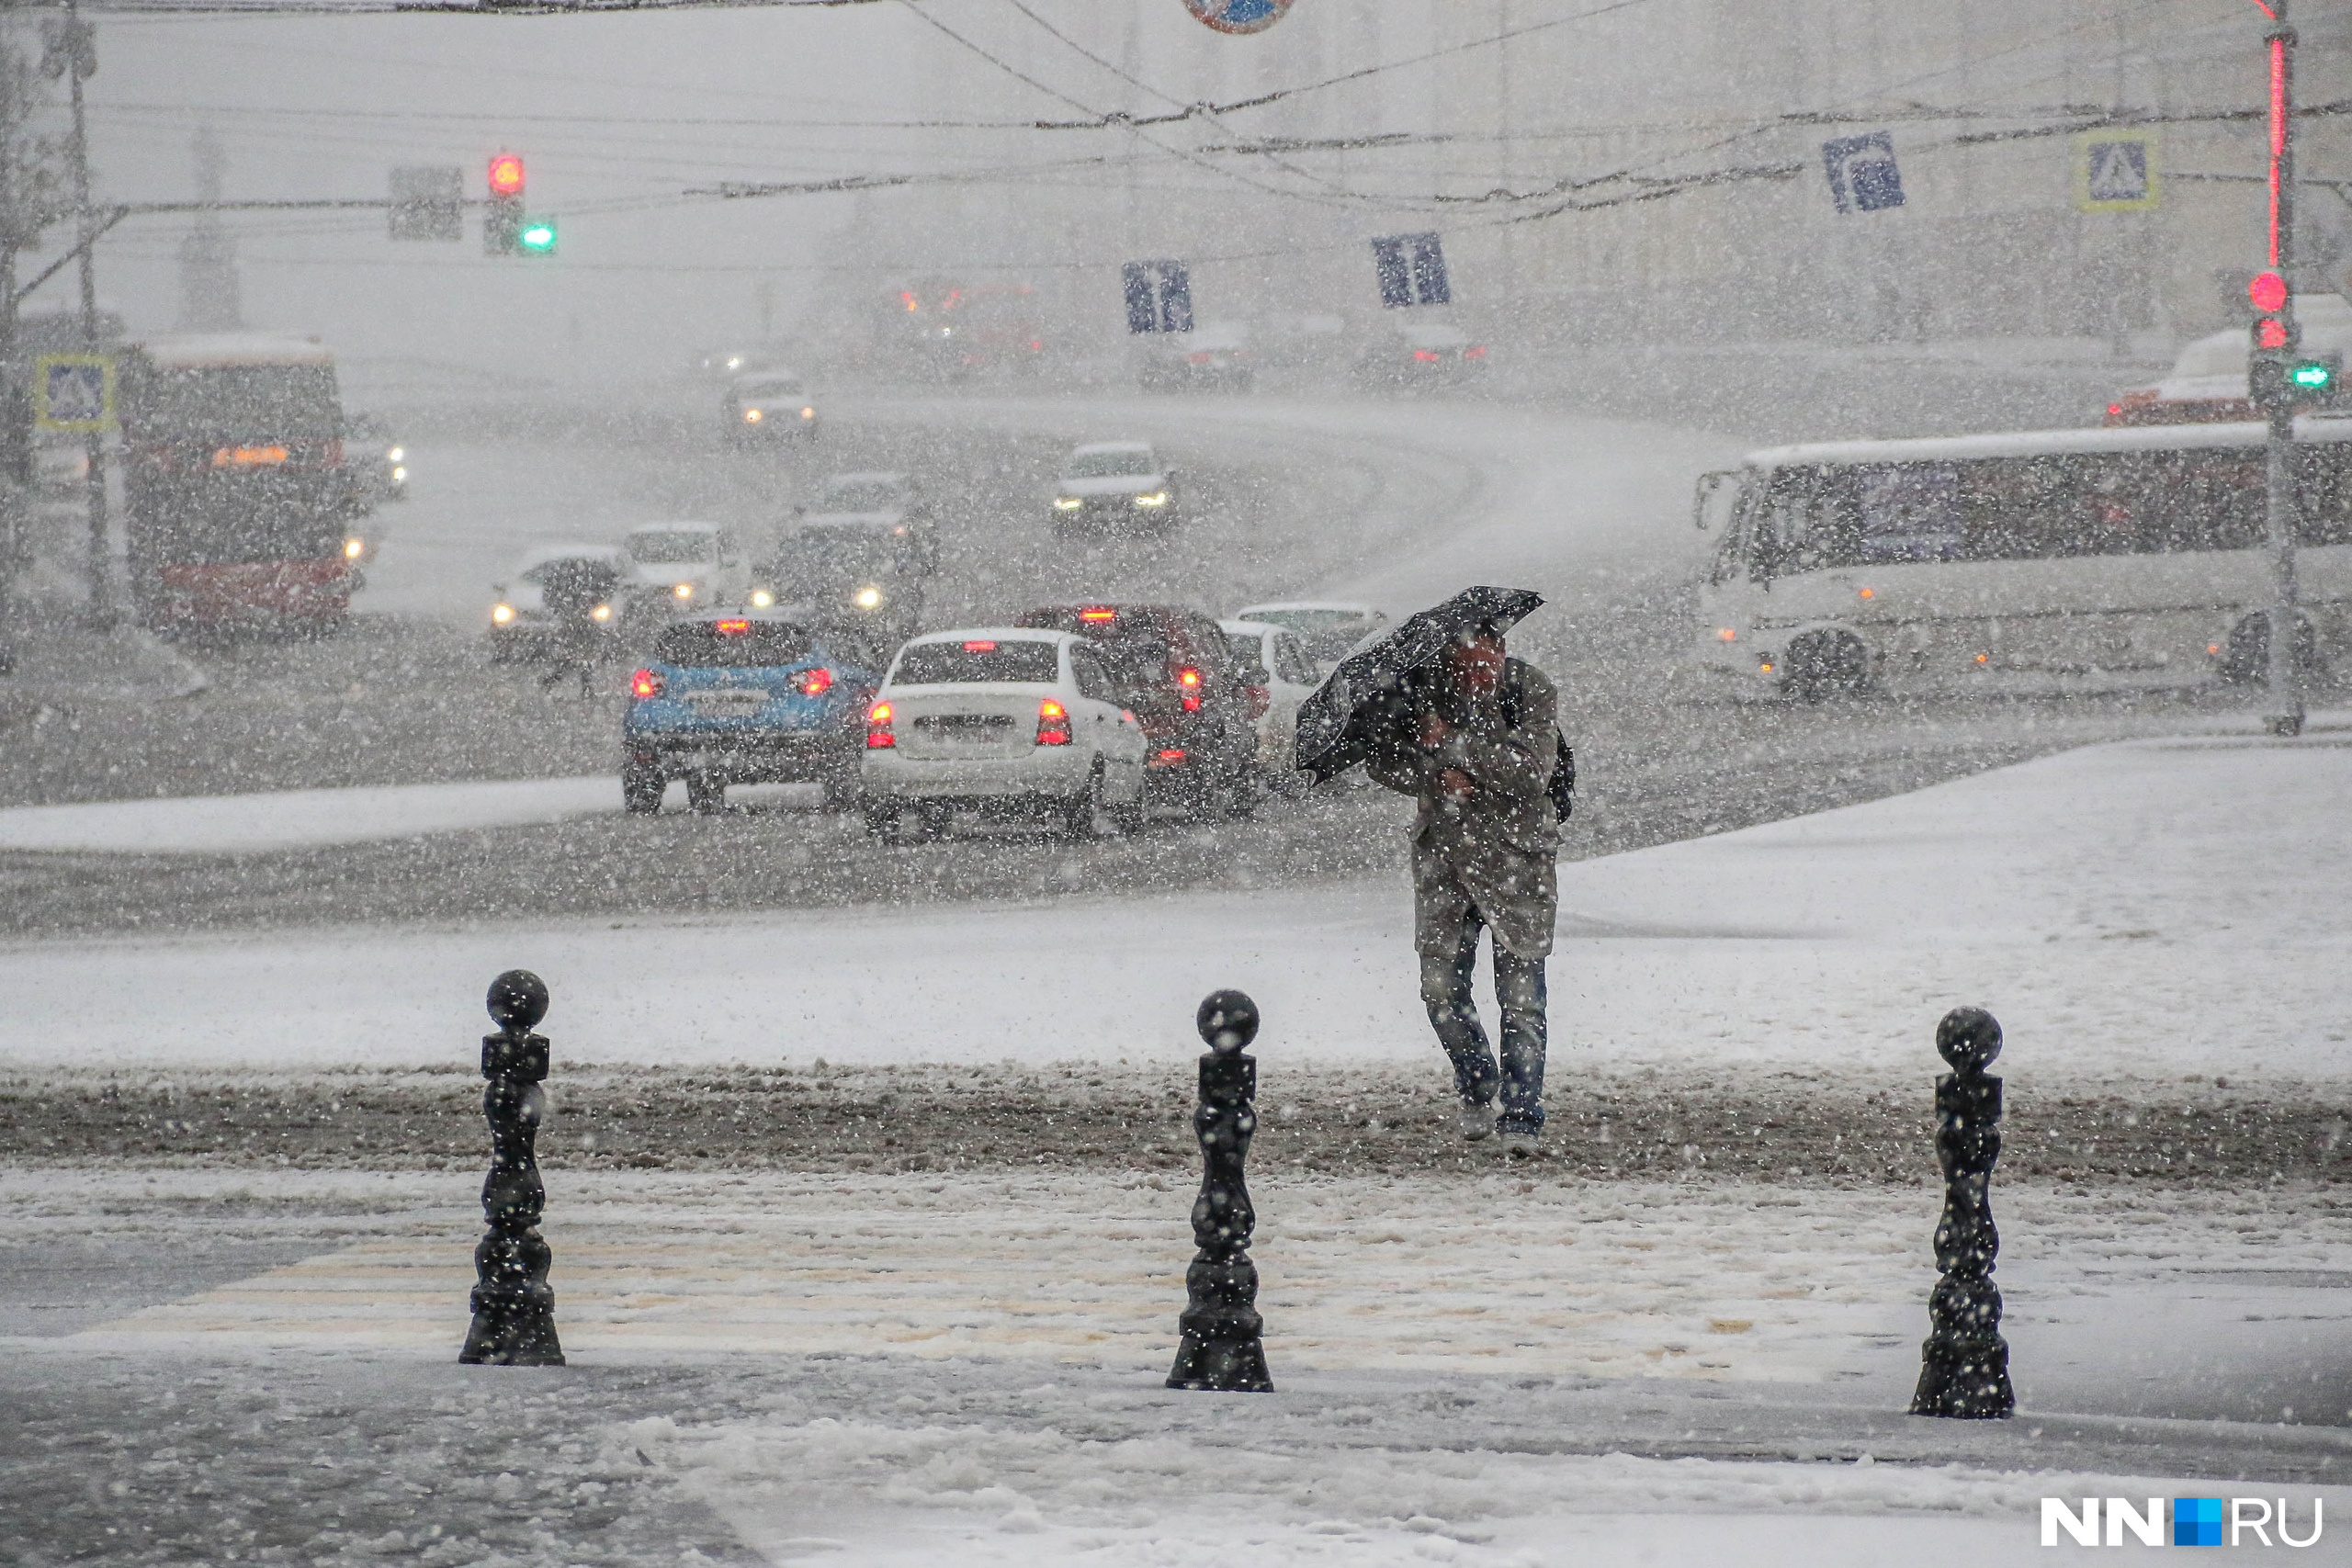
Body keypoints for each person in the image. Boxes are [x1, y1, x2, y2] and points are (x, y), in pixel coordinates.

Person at [1365, 625, 1563, 1150]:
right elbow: (1384, 761)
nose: (1478, 677)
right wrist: (1435, 777)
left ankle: (1522, 1114)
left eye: (1486, 664)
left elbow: (1532, 773)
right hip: (1444, 862)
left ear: (1501, 651)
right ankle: (1478, 1083)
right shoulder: (1421, 690)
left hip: (1519, 864)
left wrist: (1453, 746)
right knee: (1440, 992)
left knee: (1522, 1002)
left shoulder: (1530, 689)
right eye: (1466, 667)